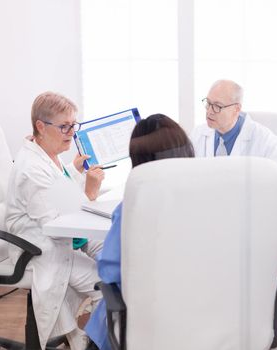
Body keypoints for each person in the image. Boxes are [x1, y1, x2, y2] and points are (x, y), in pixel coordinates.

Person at [85, 114, 195, 350]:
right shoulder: (213, 203)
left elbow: (109, 270)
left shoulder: (132, 208)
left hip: (146, 325)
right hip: (204, 318)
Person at [5, 92, 105, 349]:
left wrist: (73, 171)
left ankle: (81, 336)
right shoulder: (30, 167)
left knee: (115, 258)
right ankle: (88, 340)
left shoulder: (48, 152)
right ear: (40, 126)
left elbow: (56, 189)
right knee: (105, 285)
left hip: (63, 238)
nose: (72, 132)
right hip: (40, 248)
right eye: (64, 126)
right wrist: (91, 194)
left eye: (74, 124)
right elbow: (57, 222)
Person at [190, 79, 277, 186]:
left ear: (236, 109)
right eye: (208, 103)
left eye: (217, 106)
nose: (209, 111)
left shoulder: (262, 137)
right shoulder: (198, 133)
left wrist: (249, 177)